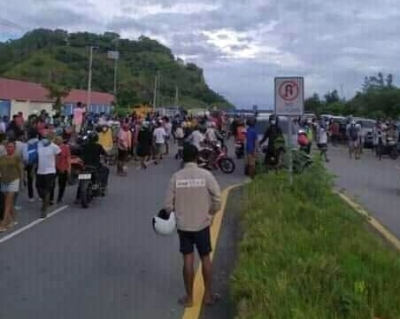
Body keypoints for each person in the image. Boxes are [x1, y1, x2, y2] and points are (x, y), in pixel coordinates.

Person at [164, 144, 222, 308]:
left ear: (183, 158)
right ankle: (208, 295)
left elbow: (168, 205)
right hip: (202, 224)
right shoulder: (206, 175)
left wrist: (178, 214)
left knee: (188, 260)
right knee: (205, 258)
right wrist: (210, 214)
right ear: (197, 157)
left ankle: (189, 298)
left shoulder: (176, 177)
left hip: (184, 226)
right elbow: (218, 199)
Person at [77, 131, 109, 201]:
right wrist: (107, 157)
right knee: (105, 170)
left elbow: (77, 151)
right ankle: (103, 187)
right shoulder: (98, 146)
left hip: (85, 166)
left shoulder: (84, 145)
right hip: (95, 166)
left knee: (81, 180)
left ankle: (77, 197)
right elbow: (105, 154)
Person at [36, 131, 61, 217]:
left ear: (50, 138)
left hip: (50, 172)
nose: (44, 139)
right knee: (39, 189)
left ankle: (44, 209)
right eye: (43, 138)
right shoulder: (39, 145)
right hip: (39, 171)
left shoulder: (55, 147)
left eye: (46, 138)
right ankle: (44, 201)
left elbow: (58, 157)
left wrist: (55, 167)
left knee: (46, 190)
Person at [0, 140, 24, 232]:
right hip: (4, 181)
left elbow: (21, 170)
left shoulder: (17, 157)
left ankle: (4, 223)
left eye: (11, 146)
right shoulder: (2, 157)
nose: (9, 148)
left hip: (14, 180)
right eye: (8, 146)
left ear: (14, 148)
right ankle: (13, 219)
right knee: (9, 203)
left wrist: (21, 182)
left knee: (7, 202)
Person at [51, 136, 71, 204]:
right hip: (54, 168)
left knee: (62, 184)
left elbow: (68, 158)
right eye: (57, 139)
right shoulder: (53, 147)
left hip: (63, 167)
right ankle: (51, 198)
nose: (58, 141)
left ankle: (60, 197)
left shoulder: (66, 147)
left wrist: (69, 168)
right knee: (52, 183)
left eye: (59, 140)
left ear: (62, 140)